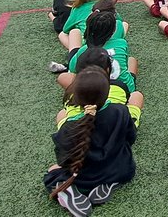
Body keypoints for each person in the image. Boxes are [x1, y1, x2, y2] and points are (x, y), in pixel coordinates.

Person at [44, 66, 143, 216]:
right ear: (107, 93)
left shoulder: (68, 127)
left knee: (52, 170)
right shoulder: (121, 111)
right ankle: (108, 182)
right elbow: (131, 138)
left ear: (74, 96)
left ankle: (69, 191)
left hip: (83, 179)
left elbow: (64, 161)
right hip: (122, 169)